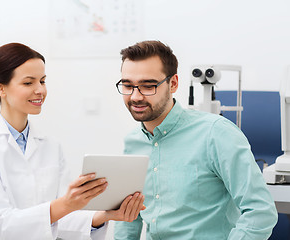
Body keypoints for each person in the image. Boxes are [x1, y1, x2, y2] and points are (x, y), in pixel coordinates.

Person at [0, 43, 145, 240]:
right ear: (0, 88)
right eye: (28, 83)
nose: (40, 90)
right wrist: (66, 204)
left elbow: (59, 220)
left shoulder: (50, 146)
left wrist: (105, 215)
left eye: (43, 81)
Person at [113, 40, 278, 239]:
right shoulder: (133, 142)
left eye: (148, 86)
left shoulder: (216, 134)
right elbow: (129, 218)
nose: (135, 96)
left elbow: (260, 212)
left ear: (173, 83)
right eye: (128, 85)